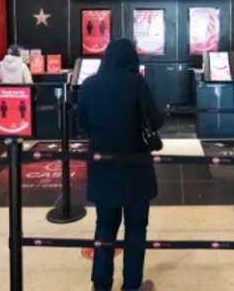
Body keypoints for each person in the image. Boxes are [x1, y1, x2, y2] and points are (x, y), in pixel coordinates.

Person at [79, 39, 164, 291]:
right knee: (136, 229)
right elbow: (156, 120)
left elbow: (83, 124)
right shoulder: (137, 84)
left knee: (104, 227)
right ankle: (131, 285)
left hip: (103, 169)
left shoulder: (89, 85)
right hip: (136, 169)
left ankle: (101, 283)